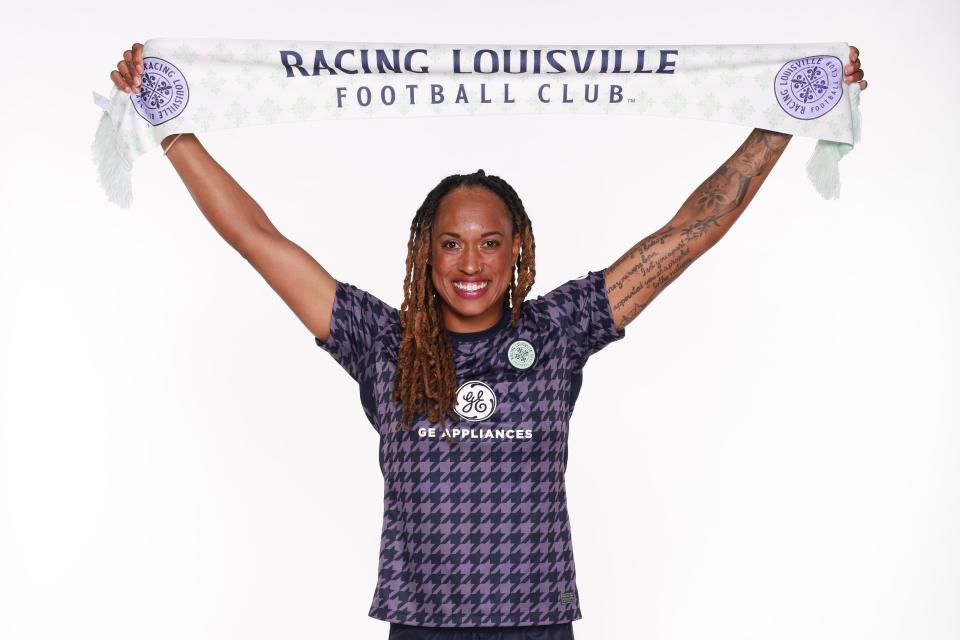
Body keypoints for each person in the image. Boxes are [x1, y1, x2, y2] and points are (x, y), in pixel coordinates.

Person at [109, 42, 867, 640]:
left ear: (516, 254)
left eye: (489, 243)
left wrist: (785, 118)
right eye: (450, 244)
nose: (469, 263)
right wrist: (171, 126)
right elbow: (255, 237)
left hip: (536, 624)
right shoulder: (384, 341)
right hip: (420, 626)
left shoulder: (559, 330)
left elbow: (683, 238)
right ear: (425, 254)